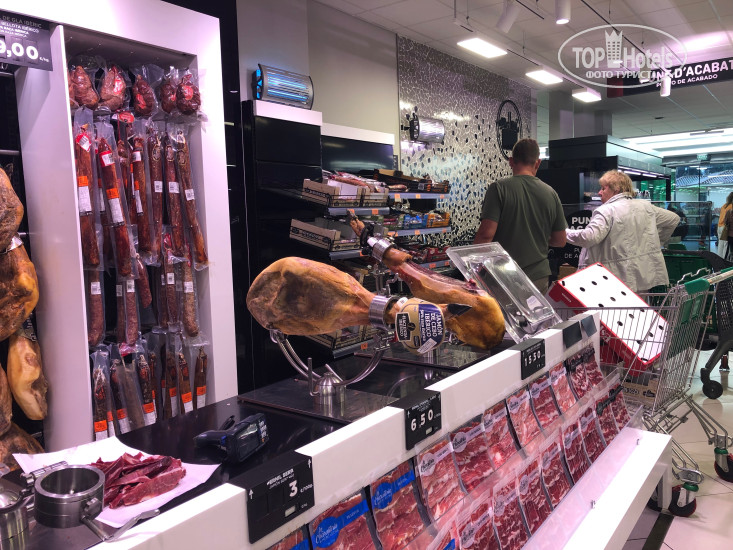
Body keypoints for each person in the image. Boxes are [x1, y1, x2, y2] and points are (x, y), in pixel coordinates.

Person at [474, 138, 567, 294]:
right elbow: (560, 240)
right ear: (538, 163)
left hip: (504, 277)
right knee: (535, 311)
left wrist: (472, 268)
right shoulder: (551, 193)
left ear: (511, 161)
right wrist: (537, 238)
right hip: (539, 277)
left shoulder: (499, 188)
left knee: (503, 312)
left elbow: (485, 235)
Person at [565, 170, 680, 293]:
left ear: (616, 189)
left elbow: (589, 237)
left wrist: (564, 233)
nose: (599, 192)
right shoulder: (645, 207)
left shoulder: (606, 211)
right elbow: (673, 219)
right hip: (642, 275)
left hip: (611, 279)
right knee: (638, 305)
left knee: (609, 306)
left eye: (603, 188)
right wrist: (656, 242)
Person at [717, 192, 733, 257]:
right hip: (725, 227)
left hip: (719, 226)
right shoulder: (731, 206)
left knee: (720, 244)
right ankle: (724, 260)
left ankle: (719, 259)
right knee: (726, 245)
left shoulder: (724, 205)